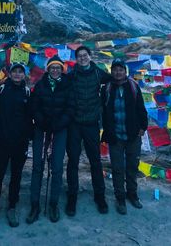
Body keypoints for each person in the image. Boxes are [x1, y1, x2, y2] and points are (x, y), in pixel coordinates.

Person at [0, 62, 32, 232]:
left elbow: (29, 118)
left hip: (20, 143)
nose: (18, 74)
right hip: (1, 142)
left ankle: (12, 206)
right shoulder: (0, 89)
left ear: (24, 74)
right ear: (10, 74)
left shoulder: (27, 92)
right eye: (15, 72)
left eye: (21, 72)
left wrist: (28, 138)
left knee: (16, 176)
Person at [27, 55, 74, 224]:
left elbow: (71, 107)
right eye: (52, 67)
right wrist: (41, 120)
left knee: (56, 167)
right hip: (42, 129)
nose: (55, 70)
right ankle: (34, 204)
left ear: (62, 69)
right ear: (48, 69)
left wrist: (60, 122)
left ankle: (53, 203)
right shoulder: (41, 85)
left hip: (60, 130)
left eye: (58, 67)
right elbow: (34, 105)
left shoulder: (68, 86)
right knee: (37, 166)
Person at [66, 45, 111, 216]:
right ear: (76, 59)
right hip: (75, 124)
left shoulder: (99, 73)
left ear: (90, 57)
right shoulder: (71, 75)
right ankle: (72, 196)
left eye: (85, 55)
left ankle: (100, 196)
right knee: (73, 161)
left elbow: (113, 80)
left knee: (95, 161)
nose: (83, 58)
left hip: (92, 124)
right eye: (79, 56)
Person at [101, 58, 148, 214]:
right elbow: (104, 111)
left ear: (125, 71)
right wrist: (106, 132)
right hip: (115, 135)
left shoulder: (134, 86)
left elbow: (141, 108)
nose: (118, 72)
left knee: (132, 167)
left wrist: (143, 127)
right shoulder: (107, 88)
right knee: (117, 168)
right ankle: (120, 197)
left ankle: (132, 194)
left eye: (121, 69)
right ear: (111, 71)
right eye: (115, 69)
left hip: (133, 134)